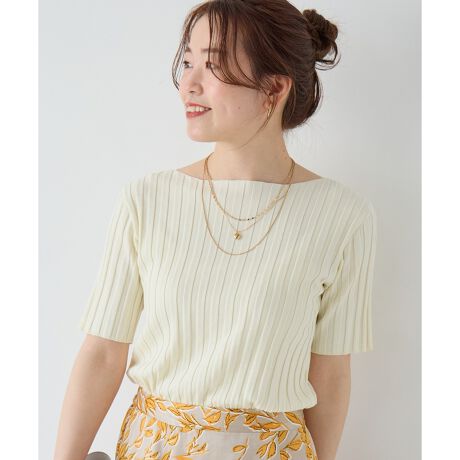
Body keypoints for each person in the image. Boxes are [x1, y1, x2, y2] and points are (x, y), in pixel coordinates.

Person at [54, 1, 378, 459]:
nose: (189, 83)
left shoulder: (342, 215)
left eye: (213, 64)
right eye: (188, 62)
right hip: (154, 448)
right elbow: (103, 353)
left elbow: (330, 371)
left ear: (274, 87)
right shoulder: (147, 200)